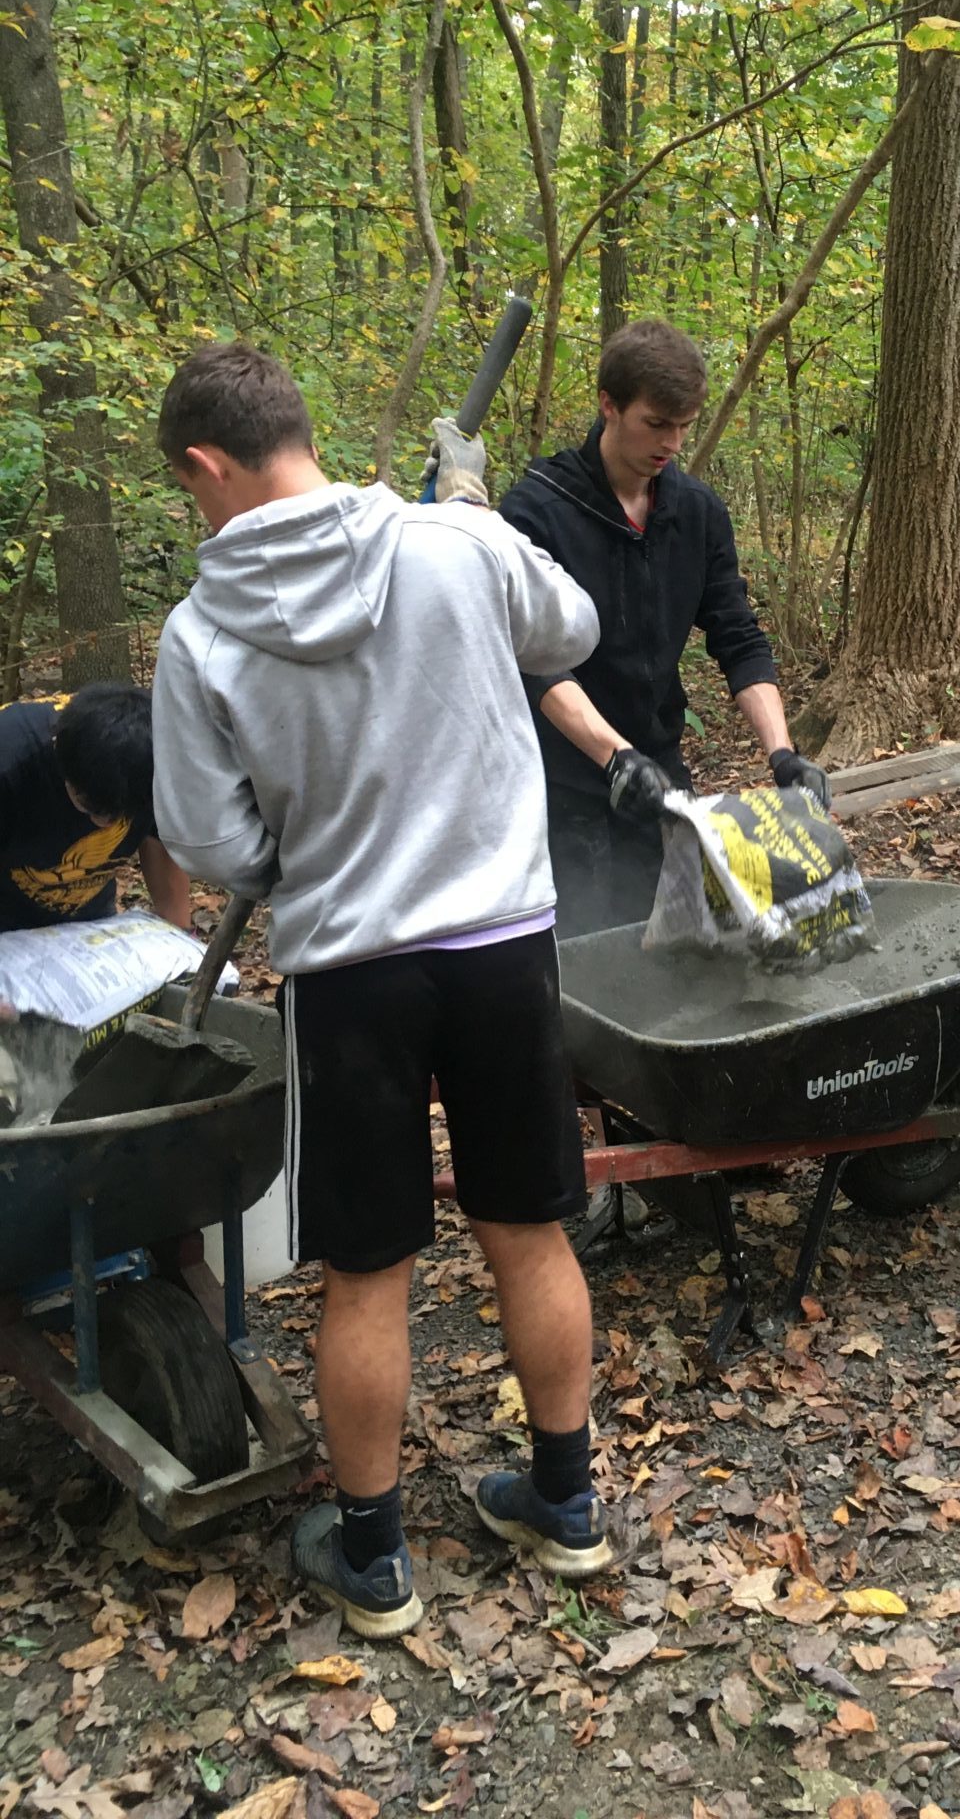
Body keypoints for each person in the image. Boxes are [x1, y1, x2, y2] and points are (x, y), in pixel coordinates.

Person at [150, 342, 609, 1640]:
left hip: (351, 969)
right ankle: (567, 1504)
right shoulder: (451, 546)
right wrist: (476, 519)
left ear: (205, 465)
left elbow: (207, 835)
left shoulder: (201, 635)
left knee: (368, 1271)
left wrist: (300, 859)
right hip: (503, 943)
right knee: (530, 1228)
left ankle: (374, 1559)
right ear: (298, 426)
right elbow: (571, 629)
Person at [499, 318, 830, 934]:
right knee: (578, 959)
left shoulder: (696, 512)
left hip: (657, 773)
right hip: (559, 784)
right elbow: (534, 661)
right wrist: (614, 757)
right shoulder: (536, 512)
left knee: (663, 952)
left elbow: (738, 636)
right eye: (657, 423)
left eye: (684, 426)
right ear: (609, 405)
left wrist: (783, 754)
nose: (673, 442)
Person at [0, 684, 190, 935]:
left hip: (86, 916)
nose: (106, 825)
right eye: (92, 807)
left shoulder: (155, 755)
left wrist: (180, 936)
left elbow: (161, 839)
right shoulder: (11, 762)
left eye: (122, 814)